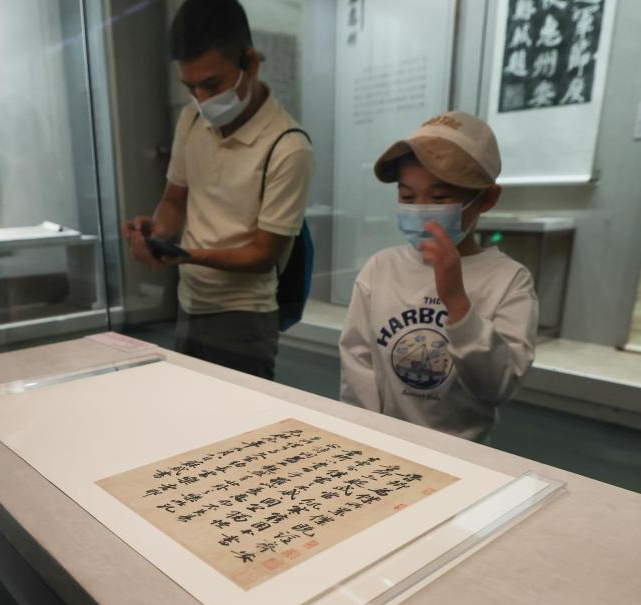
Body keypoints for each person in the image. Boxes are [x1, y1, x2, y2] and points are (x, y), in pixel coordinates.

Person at [122, 0, 313, 379]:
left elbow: (263, 254)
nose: (202, 99)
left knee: (244, 413)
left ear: (250, 63)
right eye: (190, 87)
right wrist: (156, 233)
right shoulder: (191, 119)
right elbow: (175, 198)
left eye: (212, 84)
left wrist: (186, 255)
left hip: (245, 314)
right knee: (187, 405)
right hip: (189, 302)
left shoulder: (288, 147)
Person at [339, 111, 538, 442]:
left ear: (486, 198)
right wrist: (366, 436)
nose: (420, 208)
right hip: (381, 443)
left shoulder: (509, 280)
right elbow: (357, 361)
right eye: (407, 196)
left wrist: (456, 301)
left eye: (439, 197)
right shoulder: (379, 268)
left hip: (462, 453)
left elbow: (498, 386)